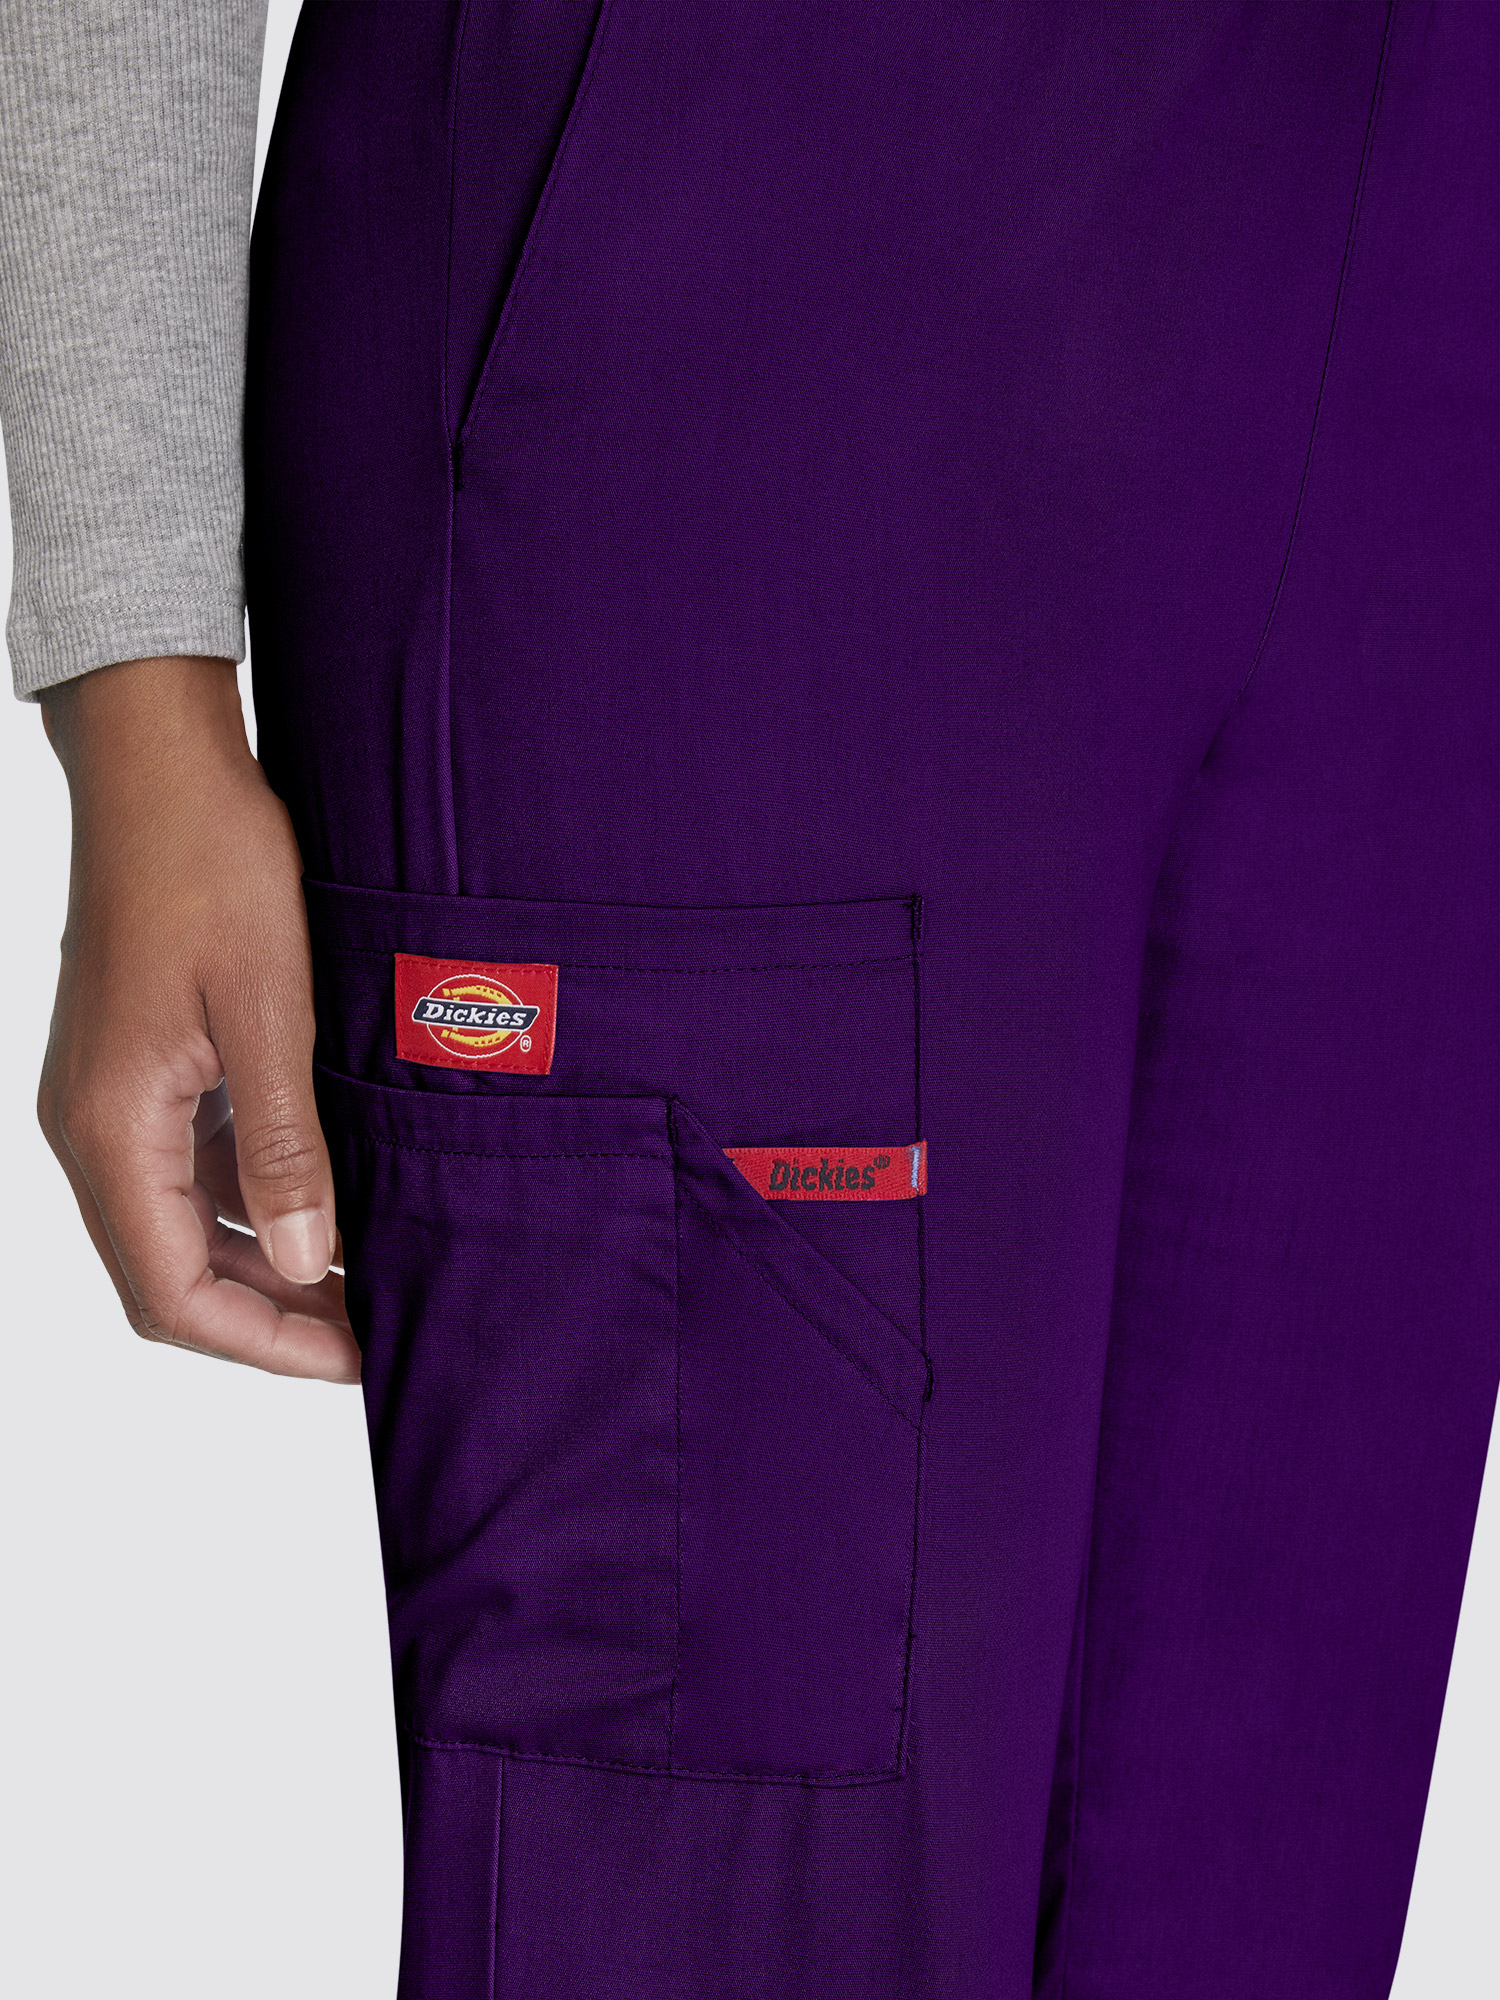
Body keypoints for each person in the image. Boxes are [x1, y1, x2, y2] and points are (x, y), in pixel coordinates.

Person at [1, 3, 1494, 1995]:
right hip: (728, 301)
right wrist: (139, 672)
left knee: (1246, 1883)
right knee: (725, 1891)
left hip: (1429, 271)